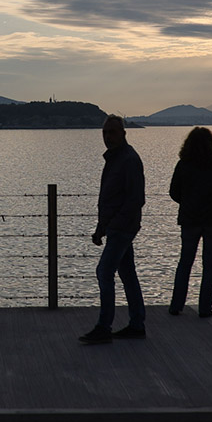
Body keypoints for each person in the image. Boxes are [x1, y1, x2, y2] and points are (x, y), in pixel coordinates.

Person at [79, 115, 146, 344]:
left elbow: (136, 198)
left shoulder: (128, 160)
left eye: (112, 132)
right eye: (105, 133)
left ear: (123, 133)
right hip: (117, 227)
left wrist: (115, 224)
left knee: (104, 272)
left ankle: (104, 327)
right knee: (127, 274)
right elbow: (109, 198)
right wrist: (100, 228)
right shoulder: (115, 159)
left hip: (122, 228)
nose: (107, 137)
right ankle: (137, 324)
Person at [168, 127, 212, 318]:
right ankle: (205, 308)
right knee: (209, 264)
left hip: (189, 219)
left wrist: (187, 202)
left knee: (185, 262)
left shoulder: (183, 165)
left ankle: (176, 305)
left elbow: (173, 192)